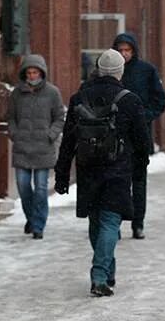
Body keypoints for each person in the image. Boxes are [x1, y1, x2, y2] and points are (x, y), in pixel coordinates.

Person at [54, 49, 149, 297]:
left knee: (97, 221)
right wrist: (139, 173)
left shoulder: (79, 98)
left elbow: (68, 141)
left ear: (97, 69)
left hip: (88, 170)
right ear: (120, 71)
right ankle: (99, 275)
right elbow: (142, 142)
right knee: (110, 222)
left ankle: (107, 273)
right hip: (118, 171)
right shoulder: (130, 100)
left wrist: (62, 174)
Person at [112, 32, 165, 240]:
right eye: (120, 50)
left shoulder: (146, 71)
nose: (124, 54)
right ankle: (113, 223)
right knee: (116, 183)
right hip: (114, 137)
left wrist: (145, 117)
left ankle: (138, 224)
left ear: (134, 51)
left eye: (128, 50)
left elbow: (159, 100)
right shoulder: (109, 70)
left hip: (139, 137)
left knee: (139, 182)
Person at [5, 54, 65, 239]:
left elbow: (59, 117)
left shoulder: (52, 92)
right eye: (29, 72)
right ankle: (31, 218)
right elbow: (11, 117)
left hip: (43, 148)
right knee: (23, 187)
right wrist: (15, 134)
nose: (32, 75)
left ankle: (38, 225)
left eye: (35, 72)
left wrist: (51, 135)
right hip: (22, 147)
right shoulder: (16, 94)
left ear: (42, 72)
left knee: (40, 188)